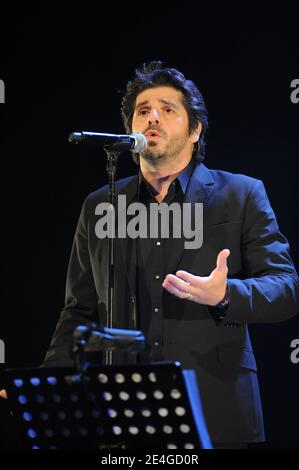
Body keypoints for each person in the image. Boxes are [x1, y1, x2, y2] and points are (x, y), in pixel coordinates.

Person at [2, 61, 298, 448]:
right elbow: (79, 311)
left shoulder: (241, 195)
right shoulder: (99, 205)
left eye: (167, 109)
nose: (152, 117)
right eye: (143, 111)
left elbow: (287, 288)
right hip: (121, 415)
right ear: (130, 131)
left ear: (195, 131)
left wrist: (226, 295)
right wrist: (43, 388)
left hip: (217, 410)